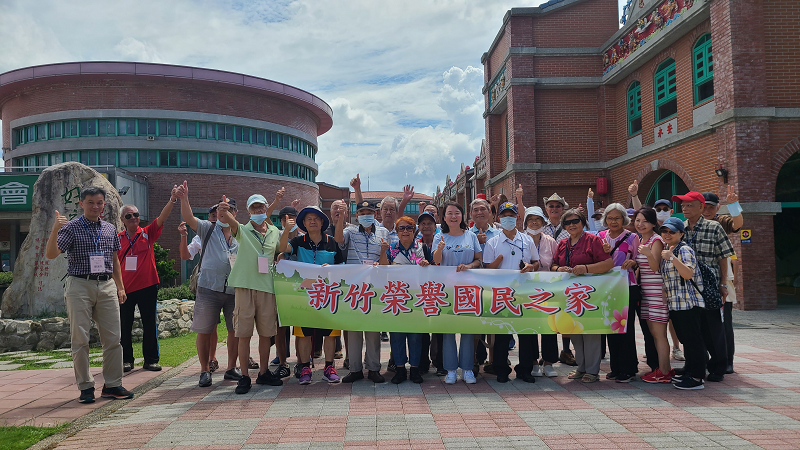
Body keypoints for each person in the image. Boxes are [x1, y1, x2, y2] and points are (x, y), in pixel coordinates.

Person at [45, 186, 134, 403]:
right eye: (91, 202)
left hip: (106, 286)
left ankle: (113, 385)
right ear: (81, 204)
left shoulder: (109, 229)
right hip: (79, 285)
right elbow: (51, 254)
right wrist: (56, 228)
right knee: (80, 339)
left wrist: (120, 287)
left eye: (100, 202)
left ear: (104, 205)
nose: (96, 206)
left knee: (114, 339)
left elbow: (114, 260)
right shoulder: (71, 228)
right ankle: (85, 387)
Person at [175, 182, 242, 387]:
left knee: (235, 330)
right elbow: (188, 217)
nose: (224, 213)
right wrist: (184, 198)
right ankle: (204, 370)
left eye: (229, 209)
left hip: (233, 289)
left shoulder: (240, 233)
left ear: (235, 213)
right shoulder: (207, 228)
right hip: (208, 288)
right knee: (204, 330)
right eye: (220, 209)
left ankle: (231, 367)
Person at [217, 193, 284, 394]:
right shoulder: (242, 230)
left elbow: (281, 250)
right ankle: (244, 376)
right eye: (254, 208)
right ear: (248, 211)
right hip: (245, 286)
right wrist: (224, 209)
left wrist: (281, 256)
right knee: (243, 334)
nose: (258, 211)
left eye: (261, 207)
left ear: (266, 208)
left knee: (266, 334)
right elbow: (229, 218)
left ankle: (263, 373)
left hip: (267, 287)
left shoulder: (274, 231)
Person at [673, 191, 735, 382]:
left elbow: (723, 257)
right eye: (682, 205)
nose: (684, 208)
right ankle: (692, 364)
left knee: (712, 329)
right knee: (690, 329)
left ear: (701, 207)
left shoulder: (714, 227)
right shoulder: (680, 228)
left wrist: (723, 283)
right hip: (686, 288)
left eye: (689, 205)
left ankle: (718, 366)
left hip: (708, 287)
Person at [278, 206, 344, 384]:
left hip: (328, 295)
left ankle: (329, 367)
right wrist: (286, 230)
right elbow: (283, 248)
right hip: (303, 296)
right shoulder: (298, 242)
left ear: (322, 222)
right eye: (309, 219)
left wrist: (330, 269)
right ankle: (305, 366)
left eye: (316, 218)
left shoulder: (333, 242)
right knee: (304, 333)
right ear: (304, 223)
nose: (313, 221)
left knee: (330, 333)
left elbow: (342, 266)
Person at [117, 187, 178, 373]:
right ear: (122, 220)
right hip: (125, 289)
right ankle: (126, 360)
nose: (133, 217)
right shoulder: (117, 239)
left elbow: (162, 218)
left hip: (148, 286)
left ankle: (151, 360)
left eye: (135, 214)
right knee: (124, 326)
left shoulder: (147, 233)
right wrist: (118, 287)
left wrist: (172, 199)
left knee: (150, 324)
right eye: (129, 216)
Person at [551, 208, 614, 383]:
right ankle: (581, 366)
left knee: (591, 331)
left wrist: (586, 269)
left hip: (590, 294)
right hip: (570, 295)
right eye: (567, 222)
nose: (572, 225)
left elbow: (608, 263)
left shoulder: (593, 240)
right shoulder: (563, 243)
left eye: (575, 221)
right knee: (575, 330)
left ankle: (593, 370)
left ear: (583, 222)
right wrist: (559, 269)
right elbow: (553, 265)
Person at [483, 202, 539, 383]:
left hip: (524, 292)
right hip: (502, 293)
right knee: (502, 333)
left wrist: (531, 266)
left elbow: (536, 262)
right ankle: (501, 369)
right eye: (505, 215)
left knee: (526, 333)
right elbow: (486, 268)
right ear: (499, 218)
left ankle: (525, 369)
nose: (508, 219)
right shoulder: (493, 242)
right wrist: (498, 261)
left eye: (512, 215)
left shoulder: (527, 239)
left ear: (517, 217)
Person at [334, 199, 389, 383]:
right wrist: (341, 216)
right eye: (362, 213)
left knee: (373, 330)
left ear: (375, 214)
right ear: (357, 216)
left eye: (370, 213)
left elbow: (386, 261)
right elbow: (339, 240)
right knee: (354, 330)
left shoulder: (383, 232)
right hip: (354, 288)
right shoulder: (349, 231)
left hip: (374, 287)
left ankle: (373, 368)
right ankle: (355, 369)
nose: (367, 216)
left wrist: (381, 254)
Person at [599, 203, 650, 383]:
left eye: (617, 218)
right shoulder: (599, 237)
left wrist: (633, 263)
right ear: (605, 219)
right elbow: (596, 260)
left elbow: (639, 259)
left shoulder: (632, 237)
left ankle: (628, 368)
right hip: (606, 288)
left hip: (627, 286)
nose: (613, 221)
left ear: (624, 219)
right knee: (611, 328)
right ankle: (616, 367)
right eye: (610, 218)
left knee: (625, 328)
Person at [433, 202, 482, 385]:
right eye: (449, 213)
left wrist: (468, 266)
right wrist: (439, 249)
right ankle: (451, 370)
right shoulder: (440, 237)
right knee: (448, 330)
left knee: (468, 329)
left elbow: (479, 260)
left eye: (457, 213)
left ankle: (468, 369)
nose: (453, 216)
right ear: (444, 217)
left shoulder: (471, 236)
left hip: (468, 288)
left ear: (462, 216)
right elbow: (436, 262)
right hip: (446, 289)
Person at [659, 217, 707, 390]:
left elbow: (688, 273)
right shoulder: (669, 249)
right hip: (676, 304)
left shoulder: (684, 250)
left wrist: (672, 258)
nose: (667, 234)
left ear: (681, 233)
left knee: (694, 341)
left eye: (672, 231)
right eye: (664, 231)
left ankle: (697, 377)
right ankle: (690, 369)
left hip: (689, 303)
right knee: (686, 339)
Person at [381, 215, 430, 384]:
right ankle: (400, 369)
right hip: (396, 297)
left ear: (414, 230)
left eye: (409, 228)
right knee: (397, 335)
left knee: (416, 335)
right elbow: (382, 268)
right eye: (401, 228)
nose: (405, 231)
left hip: (417, 297)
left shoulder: (423, 248)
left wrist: (426, 264)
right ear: (396, 231)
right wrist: (382, 252)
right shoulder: (391, 249)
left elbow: (434, 271)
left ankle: (415, 369)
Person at [703, 187, 743, 374]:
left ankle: (728, 360)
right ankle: (703, 359)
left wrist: (733, 205)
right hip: (699, 280)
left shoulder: (720, 222)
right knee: (701, 322)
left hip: (722, 279)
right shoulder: (690, 224)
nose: (707, 210)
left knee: (724, 321)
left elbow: (737, 224)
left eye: (711, 207)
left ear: (718, 207)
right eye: (704, 206)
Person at [635, 208, 673, 383]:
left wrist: (649, 254)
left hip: (657, 292)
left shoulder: (656, 240)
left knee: (659, 335)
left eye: (645, 221)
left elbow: (655, 267)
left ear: (652, 223)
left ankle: (664, 371)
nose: (640, 224)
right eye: (637, 220)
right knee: (652, 333)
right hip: (646, 293)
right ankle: (660, 368)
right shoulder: (641, 239)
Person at [522, 206, 560, 378]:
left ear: (543, 222)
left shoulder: (550, 241)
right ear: (525, 223)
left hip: (548, 289)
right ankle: (532, 362)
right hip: (525, 289)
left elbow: (555, 263)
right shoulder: (521, 240)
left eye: (538, 219)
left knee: (549, 326)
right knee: (529, 327)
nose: (534, 222)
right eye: (530, 219)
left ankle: (549, 362)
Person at [541, 193, 575, 366]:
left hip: (566, 276)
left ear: (563, 208)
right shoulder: (540, 225)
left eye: (558, 206)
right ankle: (547, 353)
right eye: (551, 206)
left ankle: (566, 350)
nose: (554, 209)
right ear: (546, 209)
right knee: (547, 315)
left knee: (566, 314)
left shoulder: (570, 226)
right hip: (545, 278)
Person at [417, 210, 441, 375]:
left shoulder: (442, 241)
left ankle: (440, 362)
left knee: (440, 328)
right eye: (423, 223)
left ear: (435, 225)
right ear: (419, 227)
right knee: (422, 329)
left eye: (429, 223)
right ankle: (422, 362)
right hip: (420, 292)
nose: (426, 226)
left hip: (441, 290)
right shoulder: (413, 243)